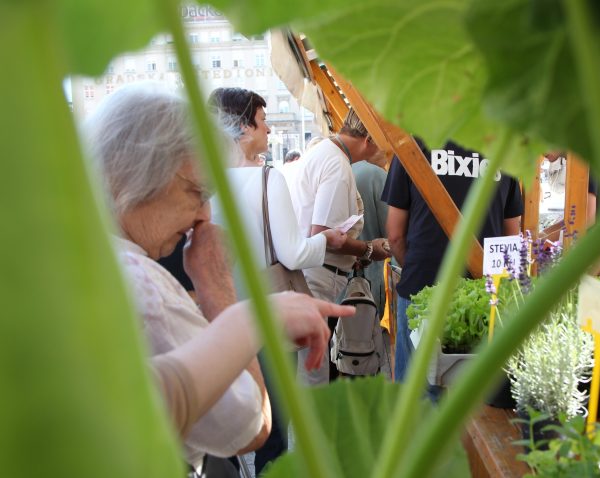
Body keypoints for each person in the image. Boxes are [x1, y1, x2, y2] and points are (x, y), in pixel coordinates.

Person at [84, 83, 355, 471]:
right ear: (131, 177)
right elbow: (248, 423)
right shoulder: (143, 288)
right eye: (196, 192)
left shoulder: (89, 263)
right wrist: (218, 289)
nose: (205, 216)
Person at [207, 87, 347, 474]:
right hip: (267, 318)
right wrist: (327, 240)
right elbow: (293, 254)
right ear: (243, 128)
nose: (269, 130)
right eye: (263, 121)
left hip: (217, 315)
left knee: (228, 431)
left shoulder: (204, 182)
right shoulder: (268, 180)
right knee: (273, 429)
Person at [382, 139, 524, 383]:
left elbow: (395, 235)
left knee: (415, 395)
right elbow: (512, 236)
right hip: (482, 298)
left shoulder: (412, 144)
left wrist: (418, 267)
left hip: (420, 286)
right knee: (477, 400)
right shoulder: (505, 148)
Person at [284, 109, 392, 385]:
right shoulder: (337, 165)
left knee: (311, 365)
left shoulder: (322, 153)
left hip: (309, 273)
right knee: (314, 370)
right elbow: (325, 234)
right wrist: (369, 249)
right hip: (318, 277)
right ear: (368, 138)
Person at [352, 153, 389, 314]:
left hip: (339, 274)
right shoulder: (377, 175)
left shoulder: (346, 169)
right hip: (370, 273)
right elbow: (391, 232)